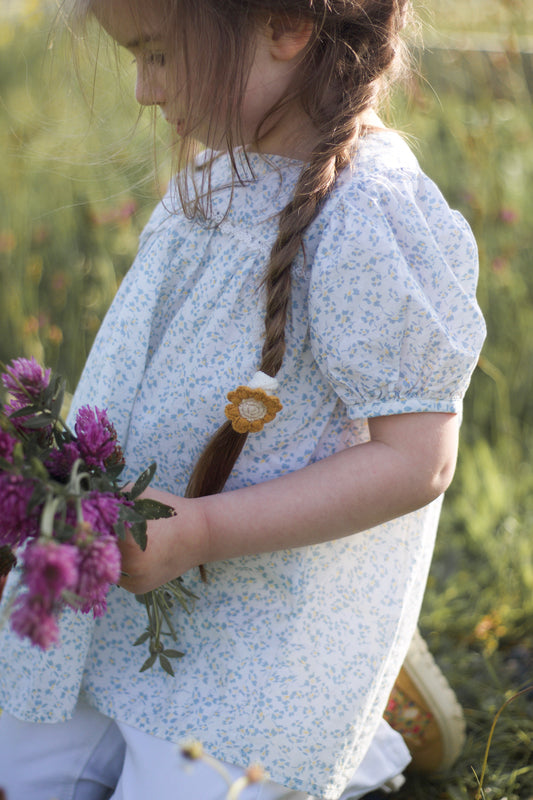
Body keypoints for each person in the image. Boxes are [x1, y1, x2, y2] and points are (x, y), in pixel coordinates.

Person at [0, 0, 486, 798]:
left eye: (157, 54)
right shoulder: (217, 175)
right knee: (23, 773)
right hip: (133, 592)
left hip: (262, 631)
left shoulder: (368, 212)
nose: (143, 90)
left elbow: (416, 462)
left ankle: (352, 710)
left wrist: (202, 531)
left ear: (285, 26)